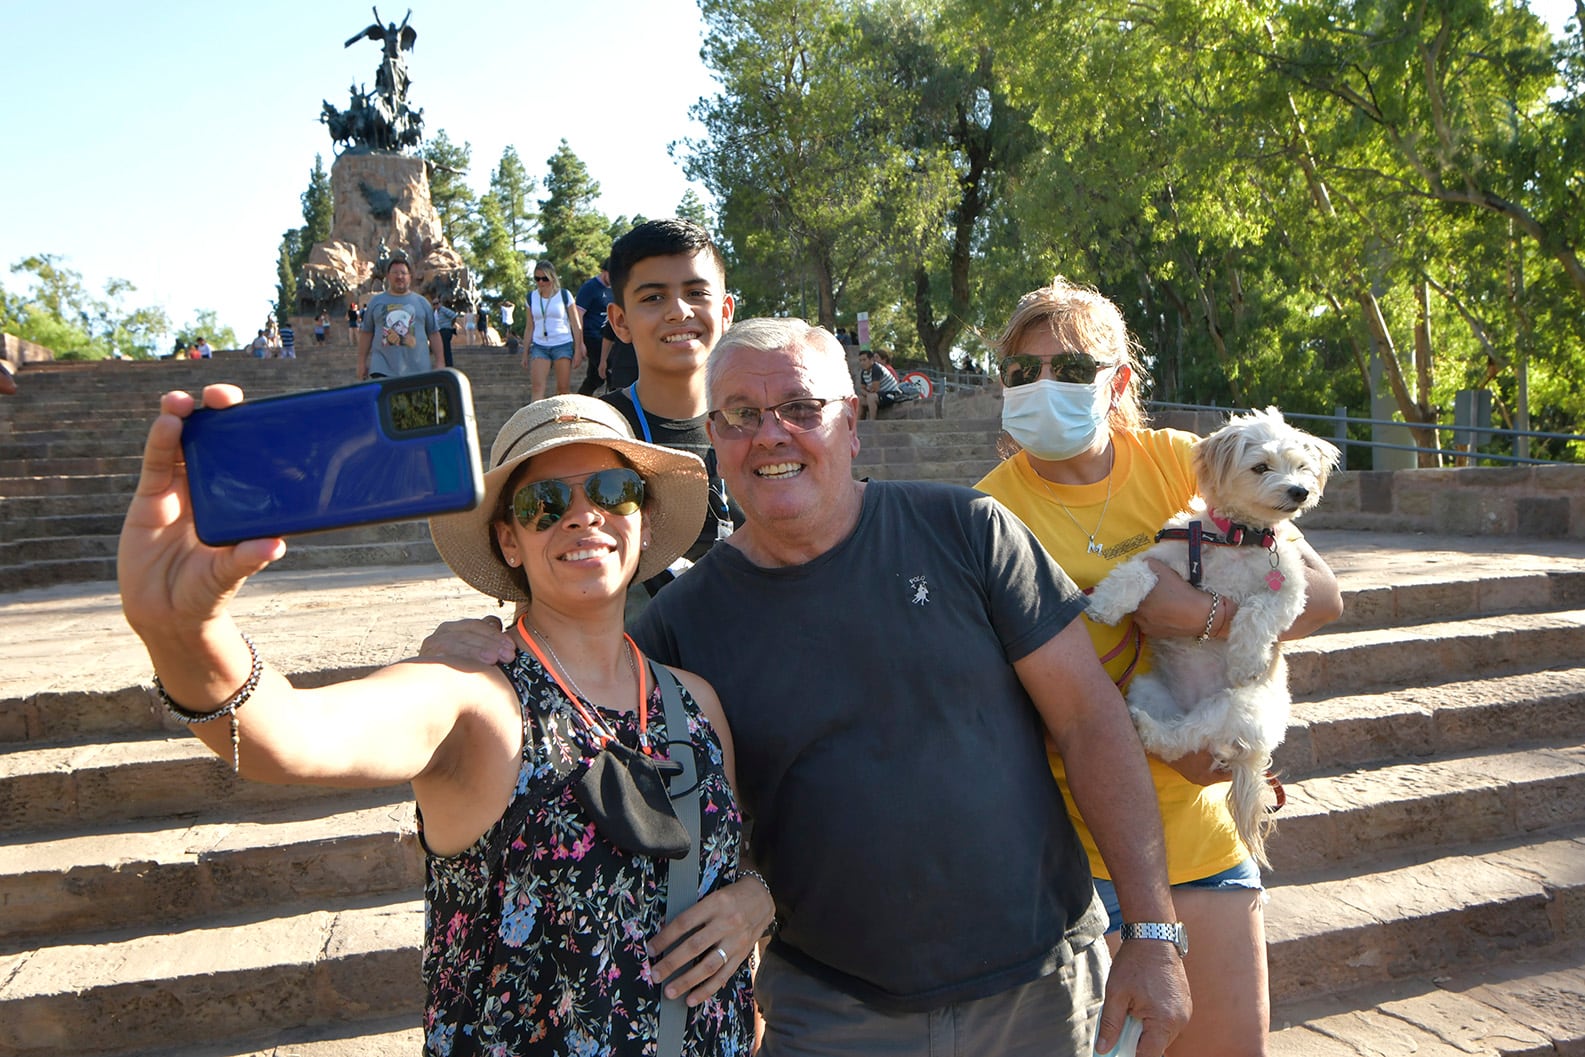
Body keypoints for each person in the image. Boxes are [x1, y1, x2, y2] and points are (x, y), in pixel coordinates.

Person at [424, 319, 1193, 1057]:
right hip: (830, 1014)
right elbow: (649, 825)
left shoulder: (966, 529)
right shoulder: (677, 629)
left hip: (1045, 992)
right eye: (741, 415)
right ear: (717, 443)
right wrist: (463, 652)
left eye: (800, 407)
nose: (771, 433)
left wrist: (1153, 932)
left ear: (851, 422)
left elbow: (1092, 721)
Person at [118, 391, 767, 1056]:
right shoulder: (475, 699)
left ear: (646, 520)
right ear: (508, 541)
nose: (582, 515)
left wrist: (759, 896)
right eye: (544, 503)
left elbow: (741, 856)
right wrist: (186, 632)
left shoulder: (694, 703)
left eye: (613, 489)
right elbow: (292, 734)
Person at [974, 278, 1343, 1057]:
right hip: (1079, 850)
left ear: (1119, 380)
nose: (1045, 385)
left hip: (1203, 832)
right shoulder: (986, 511)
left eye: (1072, 367)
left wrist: (1200, 618)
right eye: (1022, 370)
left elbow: (1318, 598)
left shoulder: (1184, 462)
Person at [600, 218, 740, 594]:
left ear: (726, 312)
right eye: (653, 298)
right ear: (620, 321)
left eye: (696, 293)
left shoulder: (763, 424)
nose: (678, 311)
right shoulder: (594, 437)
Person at [358, 256, 443, 379]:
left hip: (419, 370)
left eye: (403, 273)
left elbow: (434, 333)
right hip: (382, 370)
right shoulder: (375, 302)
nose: (399, 277)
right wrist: (361, 362)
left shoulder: (422, 303)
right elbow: (367, 333)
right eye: (395, 273)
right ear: (388, 276)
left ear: (410, 276)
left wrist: (440, 362)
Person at [524, 261, 586, 402]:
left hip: (562, 343)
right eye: (537, 278)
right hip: (539, 345)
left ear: (552, 277)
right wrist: (525, 351)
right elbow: (529, 327)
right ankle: (536, 420)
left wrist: (578, 349)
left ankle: (561, 419)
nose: (541, 282)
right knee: (537, 388)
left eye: (544, 278)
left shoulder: (564, 295)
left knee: (563, 388)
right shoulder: (531, 297)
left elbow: (576, 324)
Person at [576, 258, 615, 395]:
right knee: (611, 369)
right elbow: (578, 315)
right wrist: (580, 343)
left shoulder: (617, 289)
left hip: (610, 337)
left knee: (595, 377)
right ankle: (618, 403)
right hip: (592, 336)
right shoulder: (590, 288)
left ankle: (580, 400)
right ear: (604, 272)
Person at [856, 348, 905, 419]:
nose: (862, 363)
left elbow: (875, 389)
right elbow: (862, 389)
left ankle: (872, 422)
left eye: (864, 360)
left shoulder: (876, 369)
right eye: (860, 360)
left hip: (891, 394)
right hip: (878, 395)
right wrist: (867, 393)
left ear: (871, 360)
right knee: (860, 399)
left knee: (871, 397)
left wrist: (867, 392)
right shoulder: (864, 372)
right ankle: (859, 424)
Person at [432, 297, 459, 368]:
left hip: (446, 330)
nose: (435, 305)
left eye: (437, 303)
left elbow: (453, 315)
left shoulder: (443, 309)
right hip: (440, 331)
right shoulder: (436, 312)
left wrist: (451, 325)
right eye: (434, 304)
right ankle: (445, 364)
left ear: (440, 303)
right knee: (443, 348)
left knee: (446, 348)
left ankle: (449, 365)